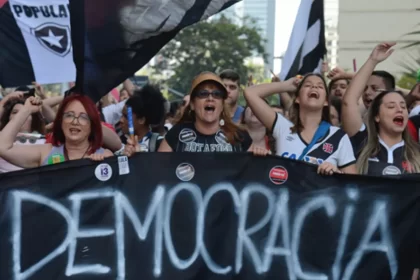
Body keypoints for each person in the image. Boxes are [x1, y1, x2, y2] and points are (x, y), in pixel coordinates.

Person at [244, 73, 357, 175]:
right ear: (297, 98)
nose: (314, 87)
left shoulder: (338, 137)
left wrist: (336, 172)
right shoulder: (283, 127)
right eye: (308, 85)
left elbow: (354, 185)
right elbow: (250, 93)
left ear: (326, 101)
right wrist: (286, 85)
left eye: (320, 86)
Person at [158, 72, 267, 155]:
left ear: (222, 105)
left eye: (217, 94)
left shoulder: (239, 136)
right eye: (203, 93)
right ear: (192, 104)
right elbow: (158, 170)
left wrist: (260, 158)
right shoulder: (176, 134)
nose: (210, 98)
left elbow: (254, 177)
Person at [0, 95, 113, 168]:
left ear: (92, 125)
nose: (75, 122)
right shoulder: (45, 153)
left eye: (83, 117)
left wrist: (101, 166)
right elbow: (3, 147)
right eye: (69, 115)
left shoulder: (105, 155)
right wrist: (26, 110)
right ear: (60, 121)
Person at [342, 42, 397, 154]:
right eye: (365, 88)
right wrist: (373, 60)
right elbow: (349, 101)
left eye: (374, 88)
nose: (367, 93)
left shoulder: (409, 139)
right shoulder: (362, 135)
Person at [351, 90, 420, 175]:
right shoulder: (362, 143)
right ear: (377, 116)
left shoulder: (417, 153)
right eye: (391, 106)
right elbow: (348, 102)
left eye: (403, 107)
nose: (399, 110)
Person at [120, 85, 166, 154]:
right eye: (121, 115)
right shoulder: (119, 143)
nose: (121, 120)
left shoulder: (160, 144)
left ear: (141, 120)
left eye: (126, 116)